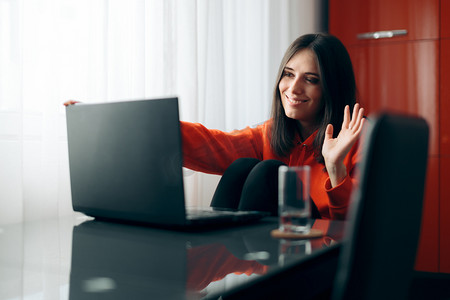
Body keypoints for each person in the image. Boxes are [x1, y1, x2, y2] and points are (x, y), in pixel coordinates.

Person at [64, 33, 364, 220]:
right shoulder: (270, 134)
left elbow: (353, 232)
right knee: (242, 166)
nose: (293, 88)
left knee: (269, 171)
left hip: (318, 261)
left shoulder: (358, 142)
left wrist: (336, 167)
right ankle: (205, 269)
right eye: (288, 74)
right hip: (269, 257)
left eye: (311, 79)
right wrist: (122, 125)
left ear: (331, 88)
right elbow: (209, 143)